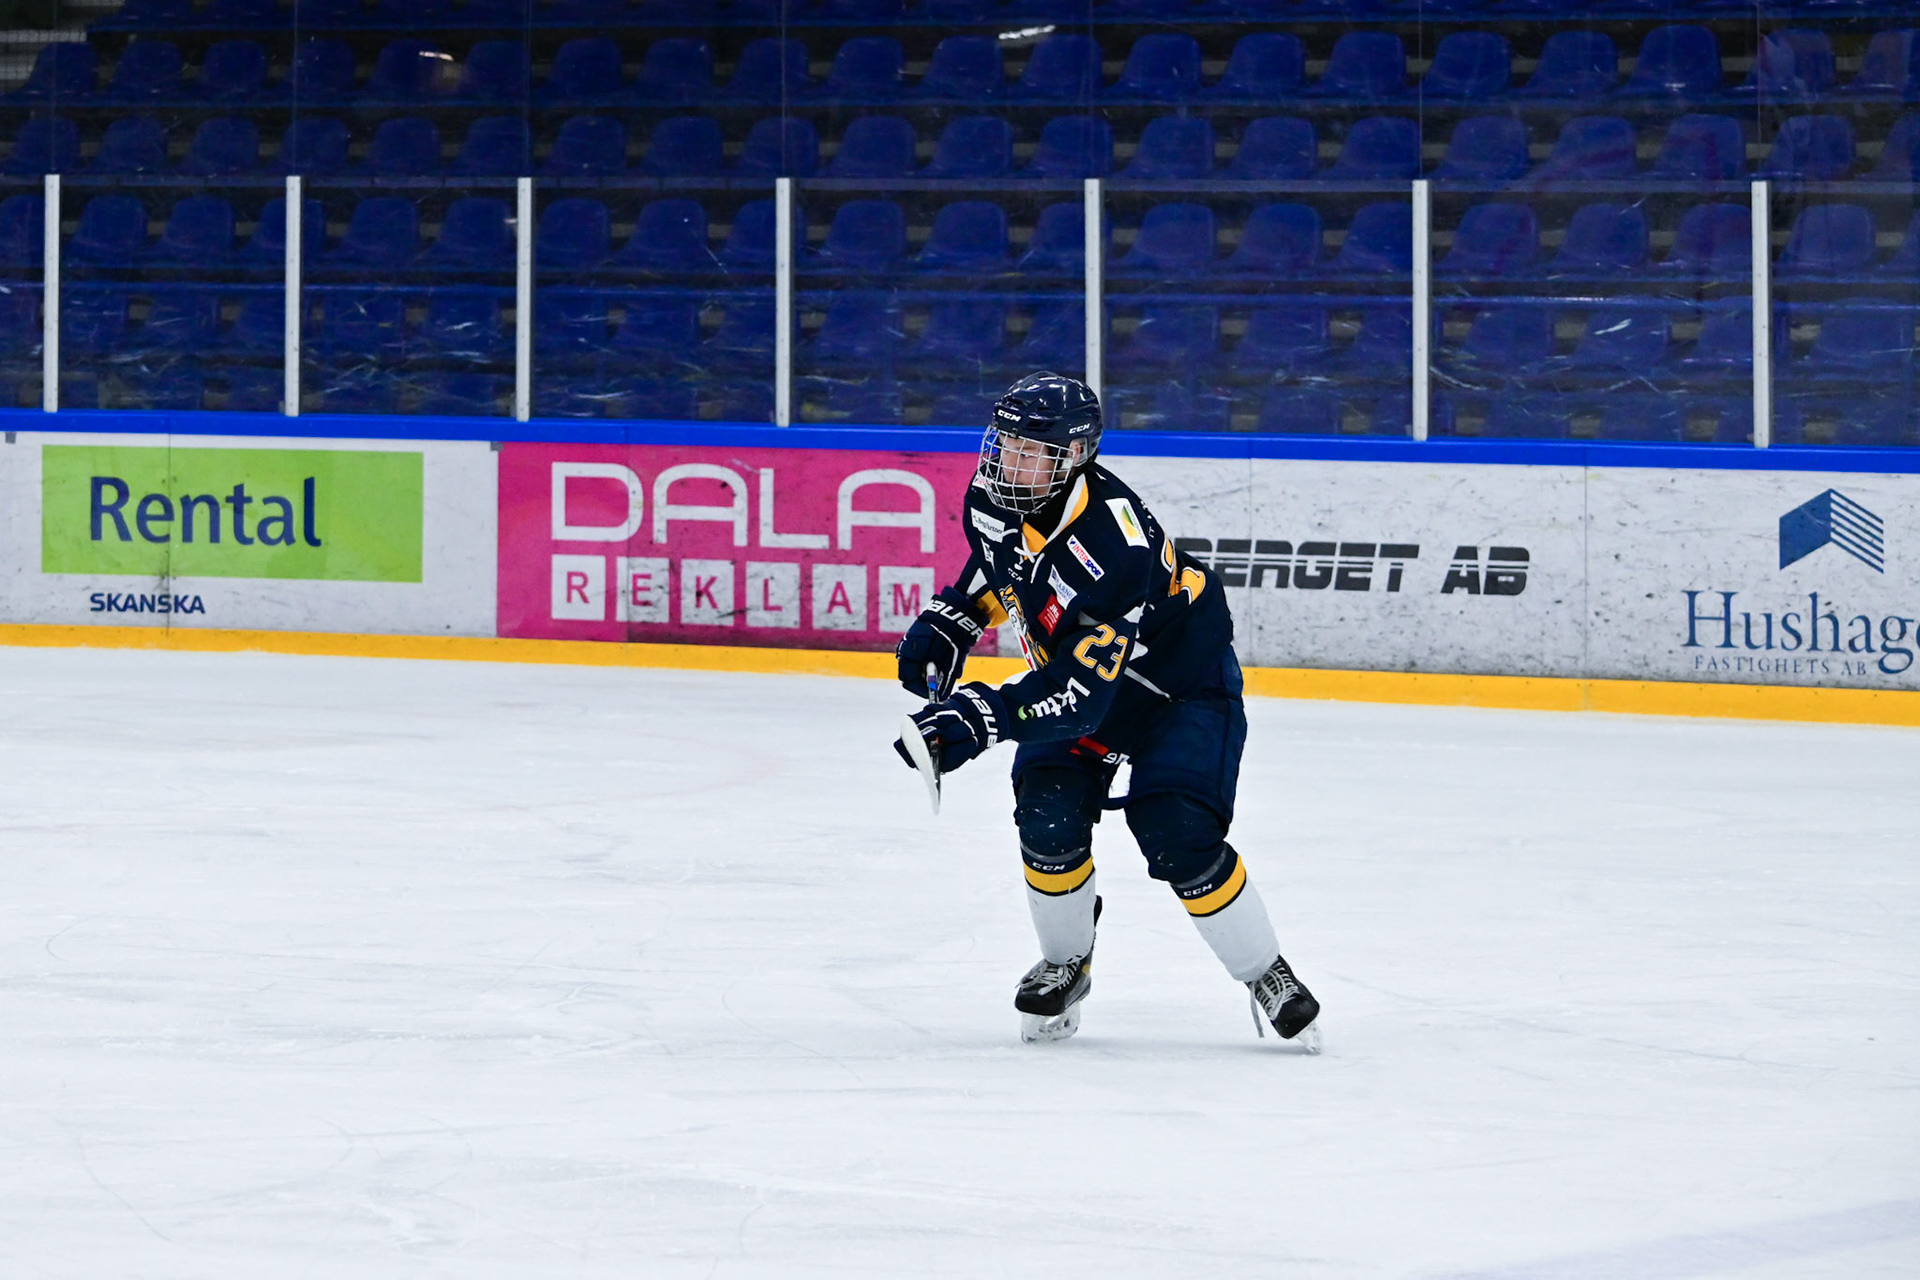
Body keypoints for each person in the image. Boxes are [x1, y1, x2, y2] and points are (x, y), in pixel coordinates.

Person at [892, 371, 1321, 1048]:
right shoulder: (993, 495)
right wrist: (956, 617)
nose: (1008, 462)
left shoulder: (1113, 545)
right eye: (1005, 444)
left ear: (1075, 456)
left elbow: (1078, 698)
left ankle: (1264, 970)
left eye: (1030, 451)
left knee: (1178, 831)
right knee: (1047, 815)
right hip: (1087, 680)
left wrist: (981, 716)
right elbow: (1000, 563)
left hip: (1178, 689)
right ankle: (1067, 962)